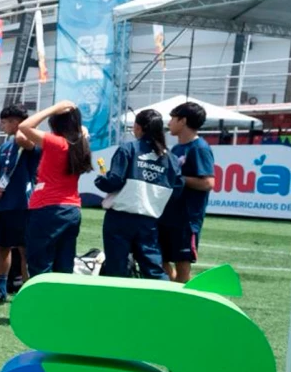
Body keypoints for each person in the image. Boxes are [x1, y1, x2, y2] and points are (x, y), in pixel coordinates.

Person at [94, 109, 181, 279]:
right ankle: (164, 301)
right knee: (153, 269)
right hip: (149, 220)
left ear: (138, 128)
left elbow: (114, 181)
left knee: (117, 269)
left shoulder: (128, 149)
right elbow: (177, 190)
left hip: (120, 218)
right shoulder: (172, 159)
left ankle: (120, 304)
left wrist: (100, 180)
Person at [20, 100, 93, 275]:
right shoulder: (80, 143)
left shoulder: (57, 143)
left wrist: (52, 108)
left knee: (39, 263)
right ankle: (62, 301)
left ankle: (41, 301)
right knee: (64, 265)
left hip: (48, 208)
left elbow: (24, 127)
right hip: (72, 209)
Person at [0, 105, 39, 303]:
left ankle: (27, 292)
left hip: (23, 204)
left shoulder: (29, 141)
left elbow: (25, 141)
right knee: (1, 246)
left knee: (25, 249)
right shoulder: (6, 145)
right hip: (2, 204)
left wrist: (23, 128)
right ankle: (0, 288)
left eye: (7, 121)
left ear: (18, 122)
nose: (2, 125)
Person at [158, 101, 215, 283]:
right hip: (169, 214)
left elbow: (207, 182)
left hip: (187, 217)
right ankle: (173, 294)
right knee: (159, 258)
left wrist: (180, 179)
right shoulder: (176, 148)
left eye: (173, 118)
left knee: (182, 262)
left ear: (182, 121)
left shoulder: (199, 148)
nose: (169, 123)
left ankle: (181, 302)